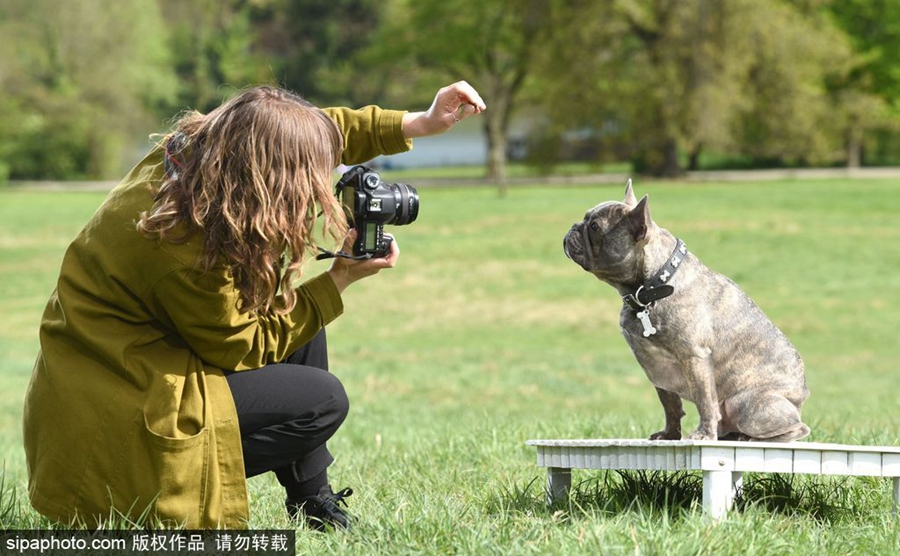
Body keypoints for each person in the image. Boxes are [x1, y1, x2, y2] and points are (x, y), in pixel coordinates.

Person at [23, 82, 485, 530]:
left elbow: (313, 133)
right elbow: (243, 345)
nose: (312, 190)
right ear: (265, 177)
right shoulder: (181, 243)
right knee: (322, 402)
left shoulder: (197, 153)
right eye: (303, 182)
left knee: (302, 317)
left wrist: (420, 122)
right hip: (120, 408)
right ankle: (185, 477)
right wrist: (339, 280)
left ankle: (312, 501)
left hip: (125, 361)